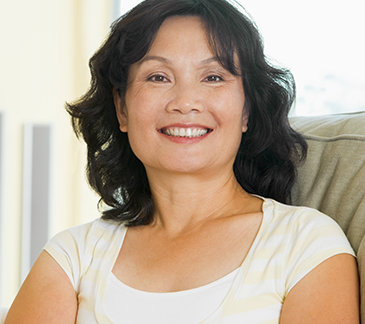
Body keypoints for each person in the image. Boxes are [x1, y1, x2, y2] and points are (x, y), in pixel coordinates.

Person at [5, 0, 359, 323]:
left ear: (247, 110)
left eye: (213, 77)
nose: (185, 101)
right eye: (158, 77)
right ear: (122, 109)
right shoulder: (73, 257)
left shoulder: (307, 245)